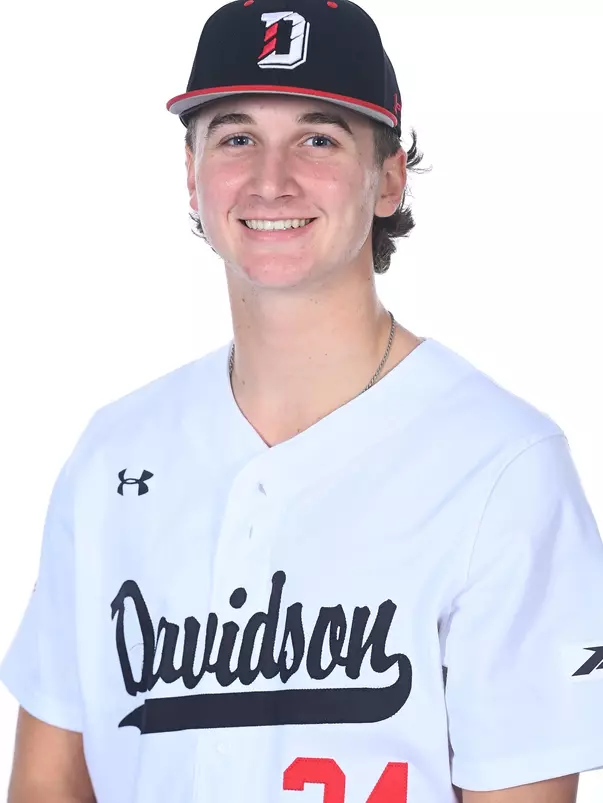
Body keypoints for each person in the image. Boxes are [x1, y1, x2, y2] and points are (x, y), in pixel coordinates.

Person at [2, 0, 603, 801]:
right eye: (236, 136)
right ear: (192, 174)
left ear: (387, 177)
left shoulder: (502, 465)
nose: (270, 178)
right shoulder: (115, 453)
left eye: (317, 138)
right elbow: (48, 779)